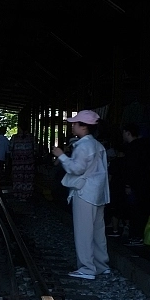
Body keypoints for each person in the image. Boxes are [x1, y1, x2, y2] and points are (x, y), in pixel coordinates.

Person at [53, 110, 111, 280]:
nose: (72, 126)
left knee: (84, 232)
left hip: (84, 192)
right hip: (98, 193)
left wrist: (61, 156)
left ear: (84, 127)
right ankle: (101, 265)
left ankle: (86, 268)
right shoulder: (98, 145)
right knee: (98, 232)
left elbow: (76, 169)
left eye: (75, 123)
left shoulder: (84, 146)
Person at [119, 124, 150, 247]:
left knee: (135, 210)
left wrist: (128, 184)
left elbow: (130, 168)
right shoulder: (147, 146)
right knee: (141, 210)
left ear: (127, 132)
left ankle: (136, 236)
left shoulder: (132, 148)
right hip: (147, 184)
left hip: (135, 184)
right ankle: (140, 236)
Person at [9, 116, 36, 203]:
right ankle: (27, 195)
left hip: (17, 163)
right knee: (27, 179)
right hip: (29, 163)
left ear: (19, 128)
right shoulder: (31, 138)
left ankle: (18, 194)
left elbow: (10, 148)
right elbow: (36, 149)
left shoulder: (14, 137)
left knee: (18, 179)